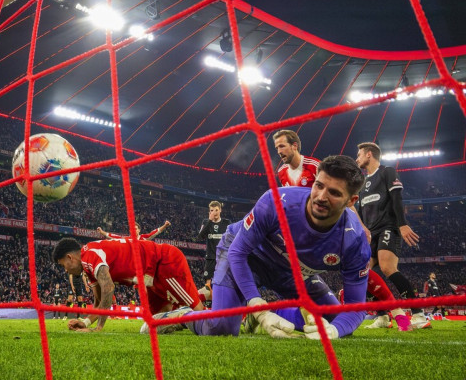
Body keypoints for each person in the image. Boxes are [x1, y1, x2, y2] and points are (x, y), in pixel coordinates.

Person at [152, 155, 371, 339]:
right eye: (319, 185)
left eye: (334, 193)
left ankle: (269, 312)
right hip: (247, 258)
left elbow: (354, 308)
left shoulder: (355, 241)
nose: (321, 197)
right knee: (221, 329)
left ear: (351, 201)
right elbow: (238, 252)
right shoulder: (277, 201)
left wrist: (333, 331)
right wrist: (258, 306)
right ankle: (182, 316)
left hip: (292, 273)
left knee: (334, 322)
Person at [275, 131, 410, 331]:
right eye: (276, 147)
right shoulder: (282, 172)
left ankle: (399, 314)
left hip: (334, 226)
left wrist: (360, 225)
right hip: (305, 232)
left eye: (282, 146)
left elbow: (343, 194)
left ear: (295, 146)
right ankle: (296, 312)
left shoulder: (314, 166)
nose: (279, 151)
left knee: (360, 268)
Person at [51, 237, 205, 332]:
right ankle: (183, 316)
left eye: (63, 265)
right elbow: (98, 302)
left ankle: (205, 300)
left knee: (200, 312)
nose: (66, 270)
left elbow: (109, 288)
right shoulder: (88, 266)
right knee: (152, 327)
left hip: (164, 262)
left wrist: (98, 328)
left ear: (70, 257)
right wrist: (85, 323)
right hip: (150, 279)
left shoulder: (89, 255)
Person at [355, 142, 430, 330]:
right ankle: (382, 316)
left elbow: (397, 199)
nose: (357, 158)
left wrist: (402, 224)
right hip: (371, 234)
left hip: (389, 227)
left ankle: (418, 314)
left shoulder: (387, 171)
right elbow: (362, 212)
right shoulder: (362, 184)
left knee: (388, 267)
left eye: (359, 155)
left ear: (369, 155)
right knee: (363, 273)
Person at [197, 201, 231, 293]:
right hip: (210, 257)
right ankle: (208, 303)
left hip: (223, 257)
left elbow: (232, 238)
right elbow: (200, 237)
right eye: (212, 210)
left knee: (224, 281)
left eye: (216, 210)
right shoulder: (206, 222)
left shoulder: (226, 223)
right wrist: (209, 221)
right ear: (209, 212)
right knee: (208, 282)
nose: (214, 212)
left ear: (220, 210)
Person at [98, 221, 169, 240]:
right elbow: (114, 236)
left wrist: (165, 225)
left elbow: (154, 232)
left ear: (139, 230)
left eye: (135, 229)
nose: (134, 231)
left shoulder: (143, 238)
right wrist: (102, 232)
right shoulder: (126, 239)